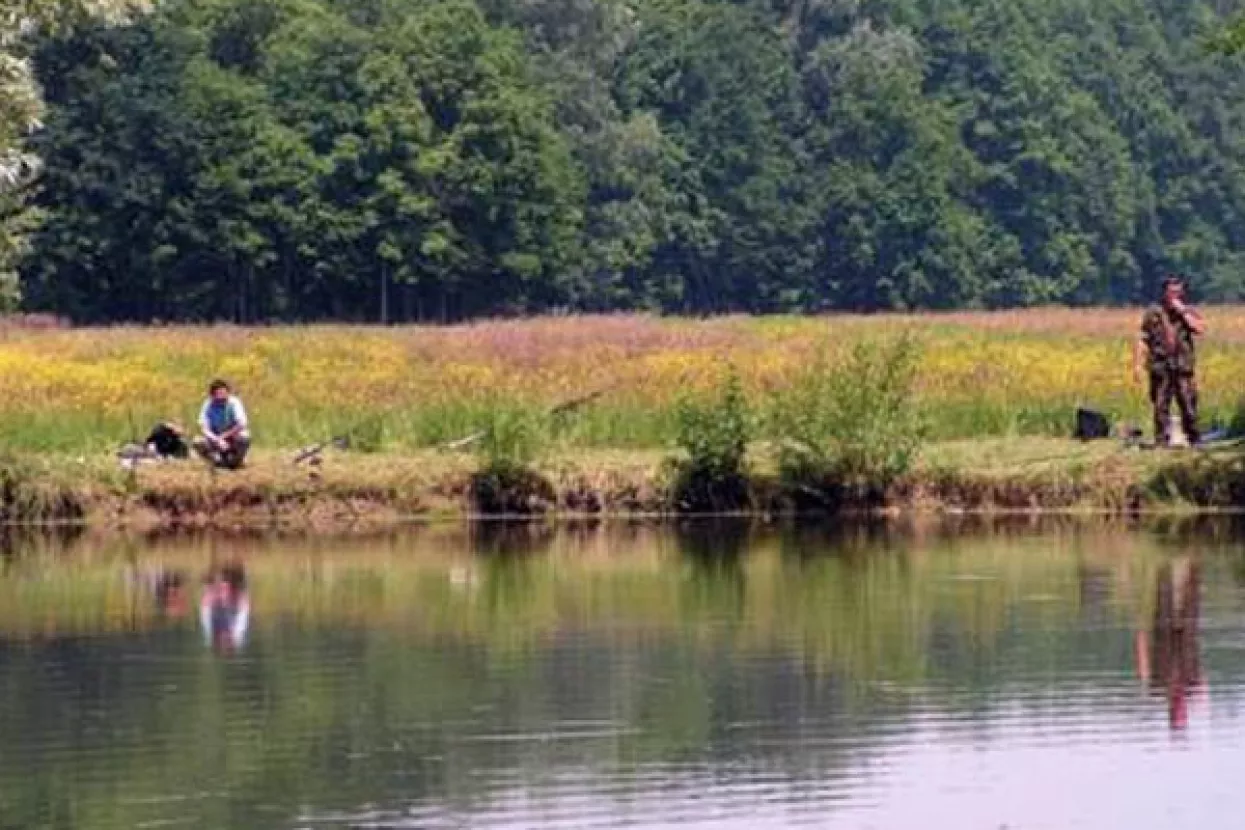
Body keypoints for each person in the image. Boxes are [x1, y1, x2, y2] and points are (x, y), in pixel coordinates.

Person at [1132, 274, 1206, 447]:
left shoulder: (1187, 311)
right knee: (1160, 405)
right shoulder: (1153, 312)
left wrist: (1182, 311)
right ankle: (1161, 441)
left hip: (1182, 366)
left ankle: (1194, 439)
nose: (1175, 295)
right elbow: (1142, 338)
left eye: (1178, 292)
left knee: (1188, 404)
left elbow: (1200, 328)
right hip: (1160, 365)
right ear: (1164, 292)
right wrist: (1137, 365)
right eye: (1171, 292)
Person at [194, 379, 251, 469]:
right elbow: (204, 427)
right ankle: (217, 461)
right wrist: (216, 439)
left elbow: (241, 424)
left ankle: (235, 461)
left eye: (224, 394)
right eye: (218, 394)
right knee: (198, 441)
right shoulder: (208, 404)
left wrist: (223, 437)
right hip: (215, 437)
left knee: (244, 438)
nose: (221, 398)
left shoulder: (234, 402)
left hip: (232, 436)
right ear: (212, 395)